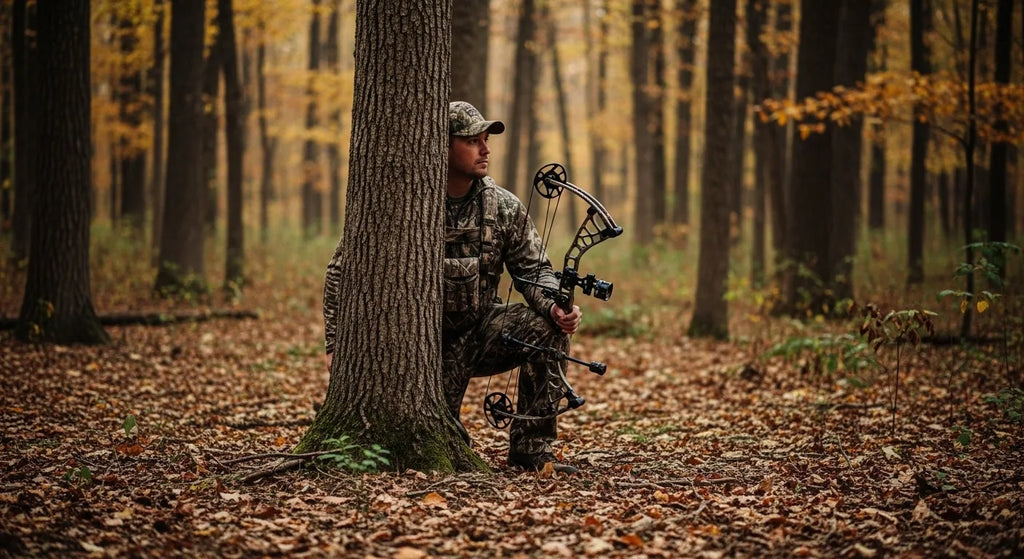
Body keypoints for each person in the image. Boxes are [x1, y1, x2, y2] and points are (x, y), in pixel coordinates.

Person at [323, 101, 583, 474]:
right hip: (413, 349)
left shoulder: (504, 207)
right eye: (472, 141)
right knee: (442, 445)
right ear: (441, 147)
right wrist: (337, 343)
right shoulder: (403, 203)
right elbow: (340, 272)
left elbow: (535, 270)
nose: (485, 149)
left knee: (547, 329)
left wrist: (555, 306)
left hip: (478, 334)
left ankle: (531, 450)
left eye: (485, 140)